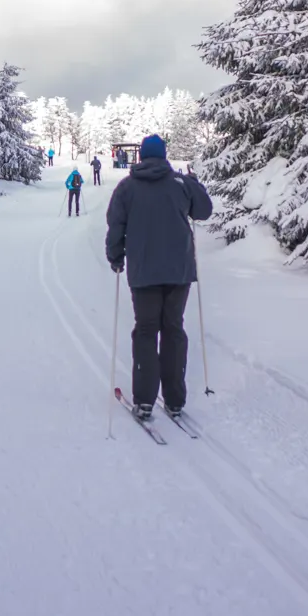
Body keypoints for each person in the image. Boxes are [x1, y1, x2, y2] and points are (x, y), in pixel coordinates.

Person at [104, 134, 213, 420]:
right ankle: (175, 400)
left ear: (140, 157)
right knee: (173, 328)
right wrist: (194, 182)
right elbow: (204, 210)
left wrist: (115, 256)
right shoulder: (179, 183)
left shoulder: (127, 187)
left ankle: (145, 401)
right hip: (179, 272)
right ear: (164, 156)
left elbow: (116, 224)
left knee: (146, 330)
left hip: (144, 272)